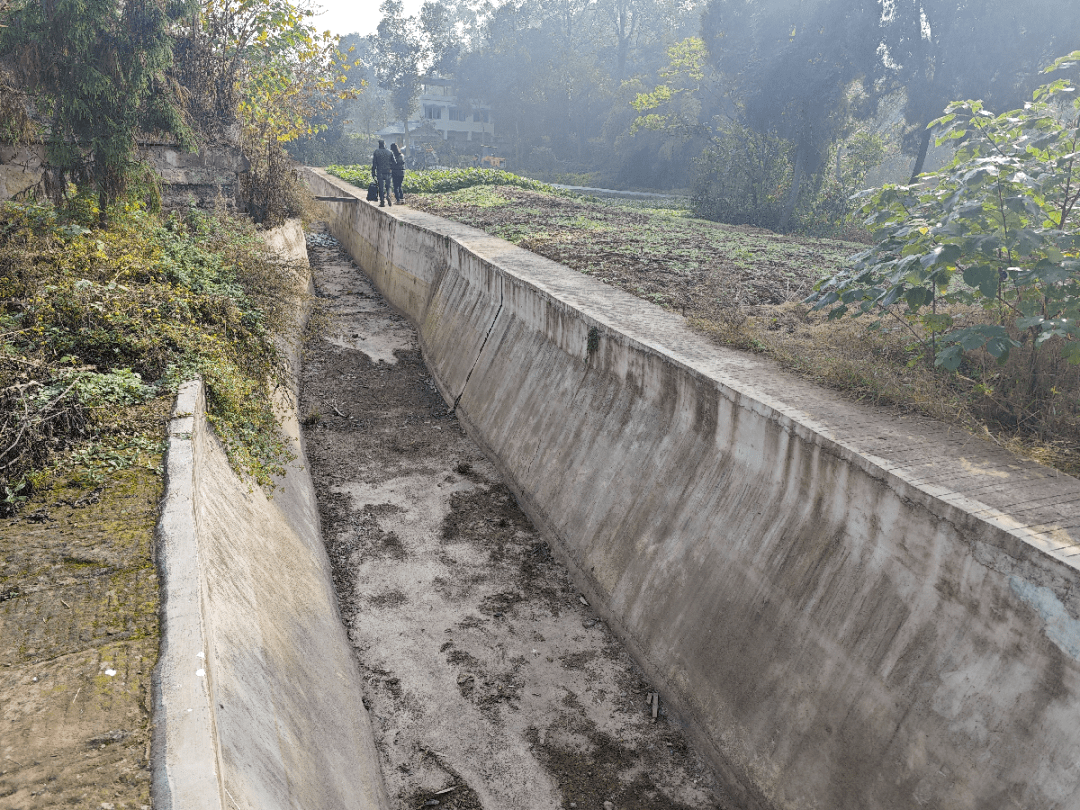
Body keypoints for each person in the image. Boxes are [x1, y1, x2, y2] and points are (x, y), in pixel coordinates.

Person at [371, 139, 395, 207]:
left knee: (381, 187)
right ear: (384, 144)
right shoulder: (390, 152)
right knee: (388, 186)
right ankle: (388, 196)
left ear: (379, 144)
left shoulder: (376, 152)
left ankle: (382, 202)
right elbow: (394, 162)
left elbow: (374, 163)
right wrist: (391, 169)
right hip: (388, 171)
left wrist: (373, 172)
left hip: (380, 171)